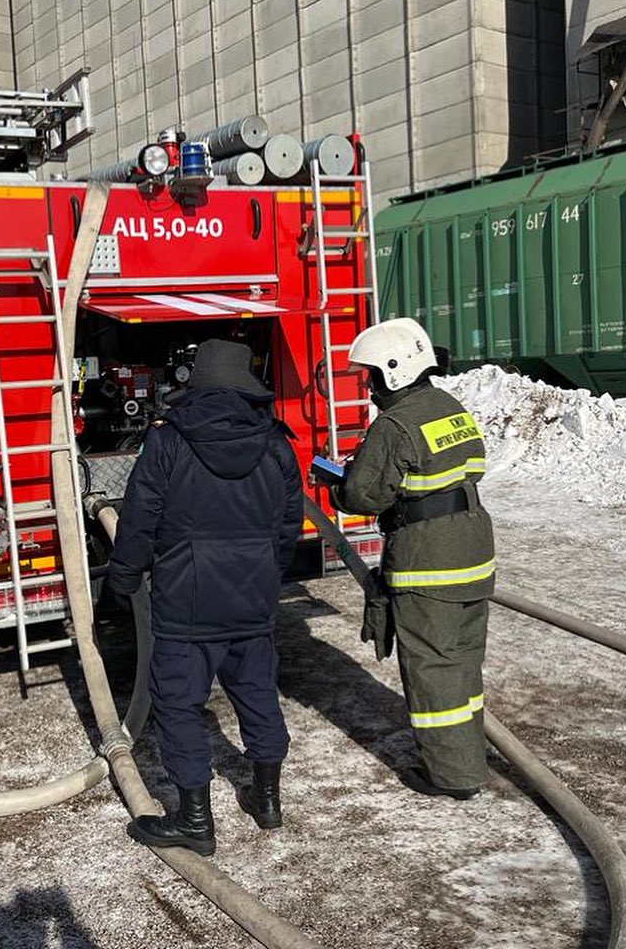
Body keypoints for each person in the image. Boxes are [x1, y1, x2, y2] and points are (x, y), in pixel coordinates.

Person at [107, 338, 303, 856]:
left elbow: (139, 518)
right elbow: (289, 528)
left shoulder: (168, 442)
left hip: (185, 605)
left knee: (178, 705)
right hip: (253, 602)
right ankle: (267, 801)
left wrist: (122, 579)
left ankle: (195, 820)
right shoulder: (277, 443)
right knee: (258, 694)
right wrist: (266, 574)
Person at [333, 318, 494, 800]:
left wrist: (338, 484)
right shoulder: (450, 407)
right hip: (473, 552)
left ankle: (453, 776)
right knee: (463, 662)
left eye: (371, 377)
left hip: (429, 561)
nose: (368, 388)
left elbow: (362, 494)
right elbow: (474, 463)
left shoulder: (394, 424)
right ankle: (467, 759)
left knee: (431, 670)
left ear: (393, 372)